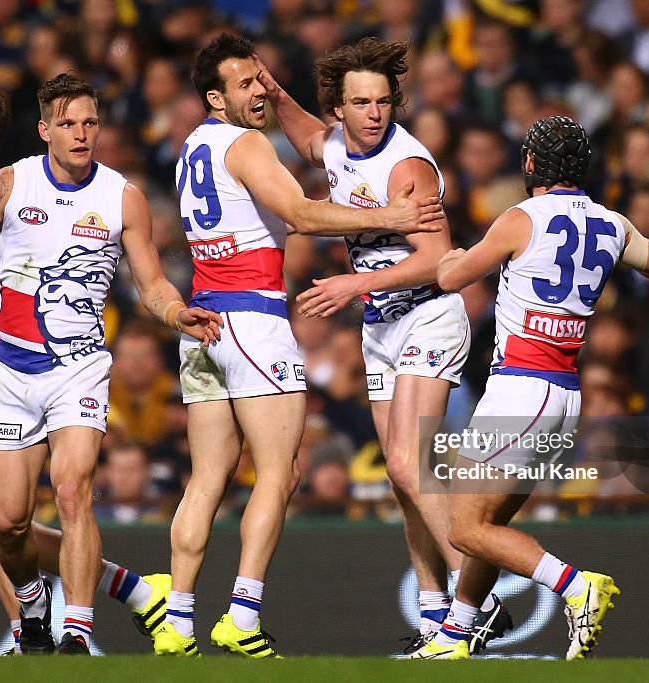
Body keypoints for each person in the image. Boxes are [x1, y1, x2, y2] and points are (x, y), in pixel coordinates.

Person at [156, 34, 444, 659]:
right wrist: (394, 219)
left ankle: (177, 619)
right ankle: (241, 613)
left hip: (201, 320)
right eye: (244, 85)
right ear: (216, 96)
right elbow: (301, 213)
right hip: (253, 320)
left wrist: (282, 94)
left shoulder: (189, 148)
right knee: (279, 473)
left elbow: (311, 151)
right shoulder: (245, 144)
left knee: (206, 479)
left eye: (261, 82)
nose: (257, 93)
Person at [0, 75, 222, 656]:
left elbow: (151, 281)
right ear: (45, 131)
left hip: (80, 365)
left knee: (72, 488)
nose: (81, 133)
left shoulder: (122, 196)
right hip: (10, 370)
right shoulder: (12, 184)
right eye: (68, 123)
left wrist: (175, 312)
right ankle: (47, 603)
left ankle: (76, 632)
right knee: (3, 522)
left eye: (90, 122)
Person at [257, 37, 511, 653]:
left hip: (429, 316)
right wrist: (275, 93)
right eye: (360, 103)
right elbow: (310, 141)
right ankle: (433, 615)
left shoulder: (408, 168)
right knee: (403, 481)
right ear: (339, 108)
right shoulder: (338, 143)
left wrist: (354, 283)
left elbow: (435, 259)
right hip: (380, 328)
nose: (374, 113)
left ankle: (477, 598)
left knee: (406, 462)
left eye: (382, 102)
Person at [410, 115, 649, 660]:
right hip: (564, 396)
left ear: (530, 164)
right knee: (491, 522)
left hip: (520, 389)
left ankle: (576, 586)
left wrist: (450, 253)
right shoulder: (611, 223)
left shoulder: (518, 218)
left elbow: (451, 279)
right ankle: (458, 631)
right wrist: (619, 247)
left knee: (464, 528)